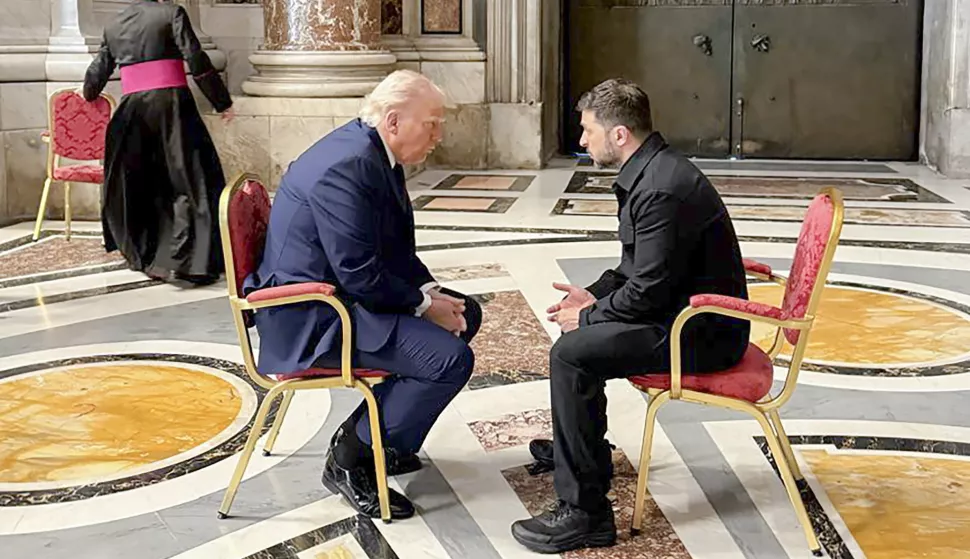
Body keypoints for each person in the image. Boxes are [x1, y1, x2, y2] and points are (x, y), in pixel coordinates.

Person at [510, 79, 751, 553]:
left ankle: (586, 514)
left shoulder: (661, 189)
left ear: (619, 134)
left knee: (572, 354)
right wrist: (592, 296)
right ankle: (584, 456)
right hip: (680, 314)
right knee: (577, 346)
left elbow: (648, 290)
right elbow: (635, 270)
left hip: (700, 332)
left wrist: (590, 317)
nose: (582, 140)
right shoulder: (653, 172)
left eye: (588, 130)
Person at [245, 70, 481, 520]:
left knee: (467, 314)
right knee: (448, 361)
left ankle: (386, 435)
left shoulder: (372, 151)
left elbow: (390, 248)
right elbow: (359, 272)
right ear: (393, 121)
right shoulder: (348, 165)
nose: (438, 135)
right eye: (431, 123)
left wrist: (429, 292)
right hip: (313, 315)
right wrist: (424, 306)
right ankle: (351, 457)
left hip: (342, 294)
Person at [83, 0, 234, 286]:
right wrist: (221, 100)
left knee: (143, 184)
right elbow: (195, 57)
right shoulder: (172, 13)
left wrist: (89, 92)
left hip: (132, 111)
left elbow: (98, 70)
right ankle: (191, 261)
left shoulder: (114, 24)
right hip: (172, 106)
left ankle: (148, 256)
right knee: (189, 179)